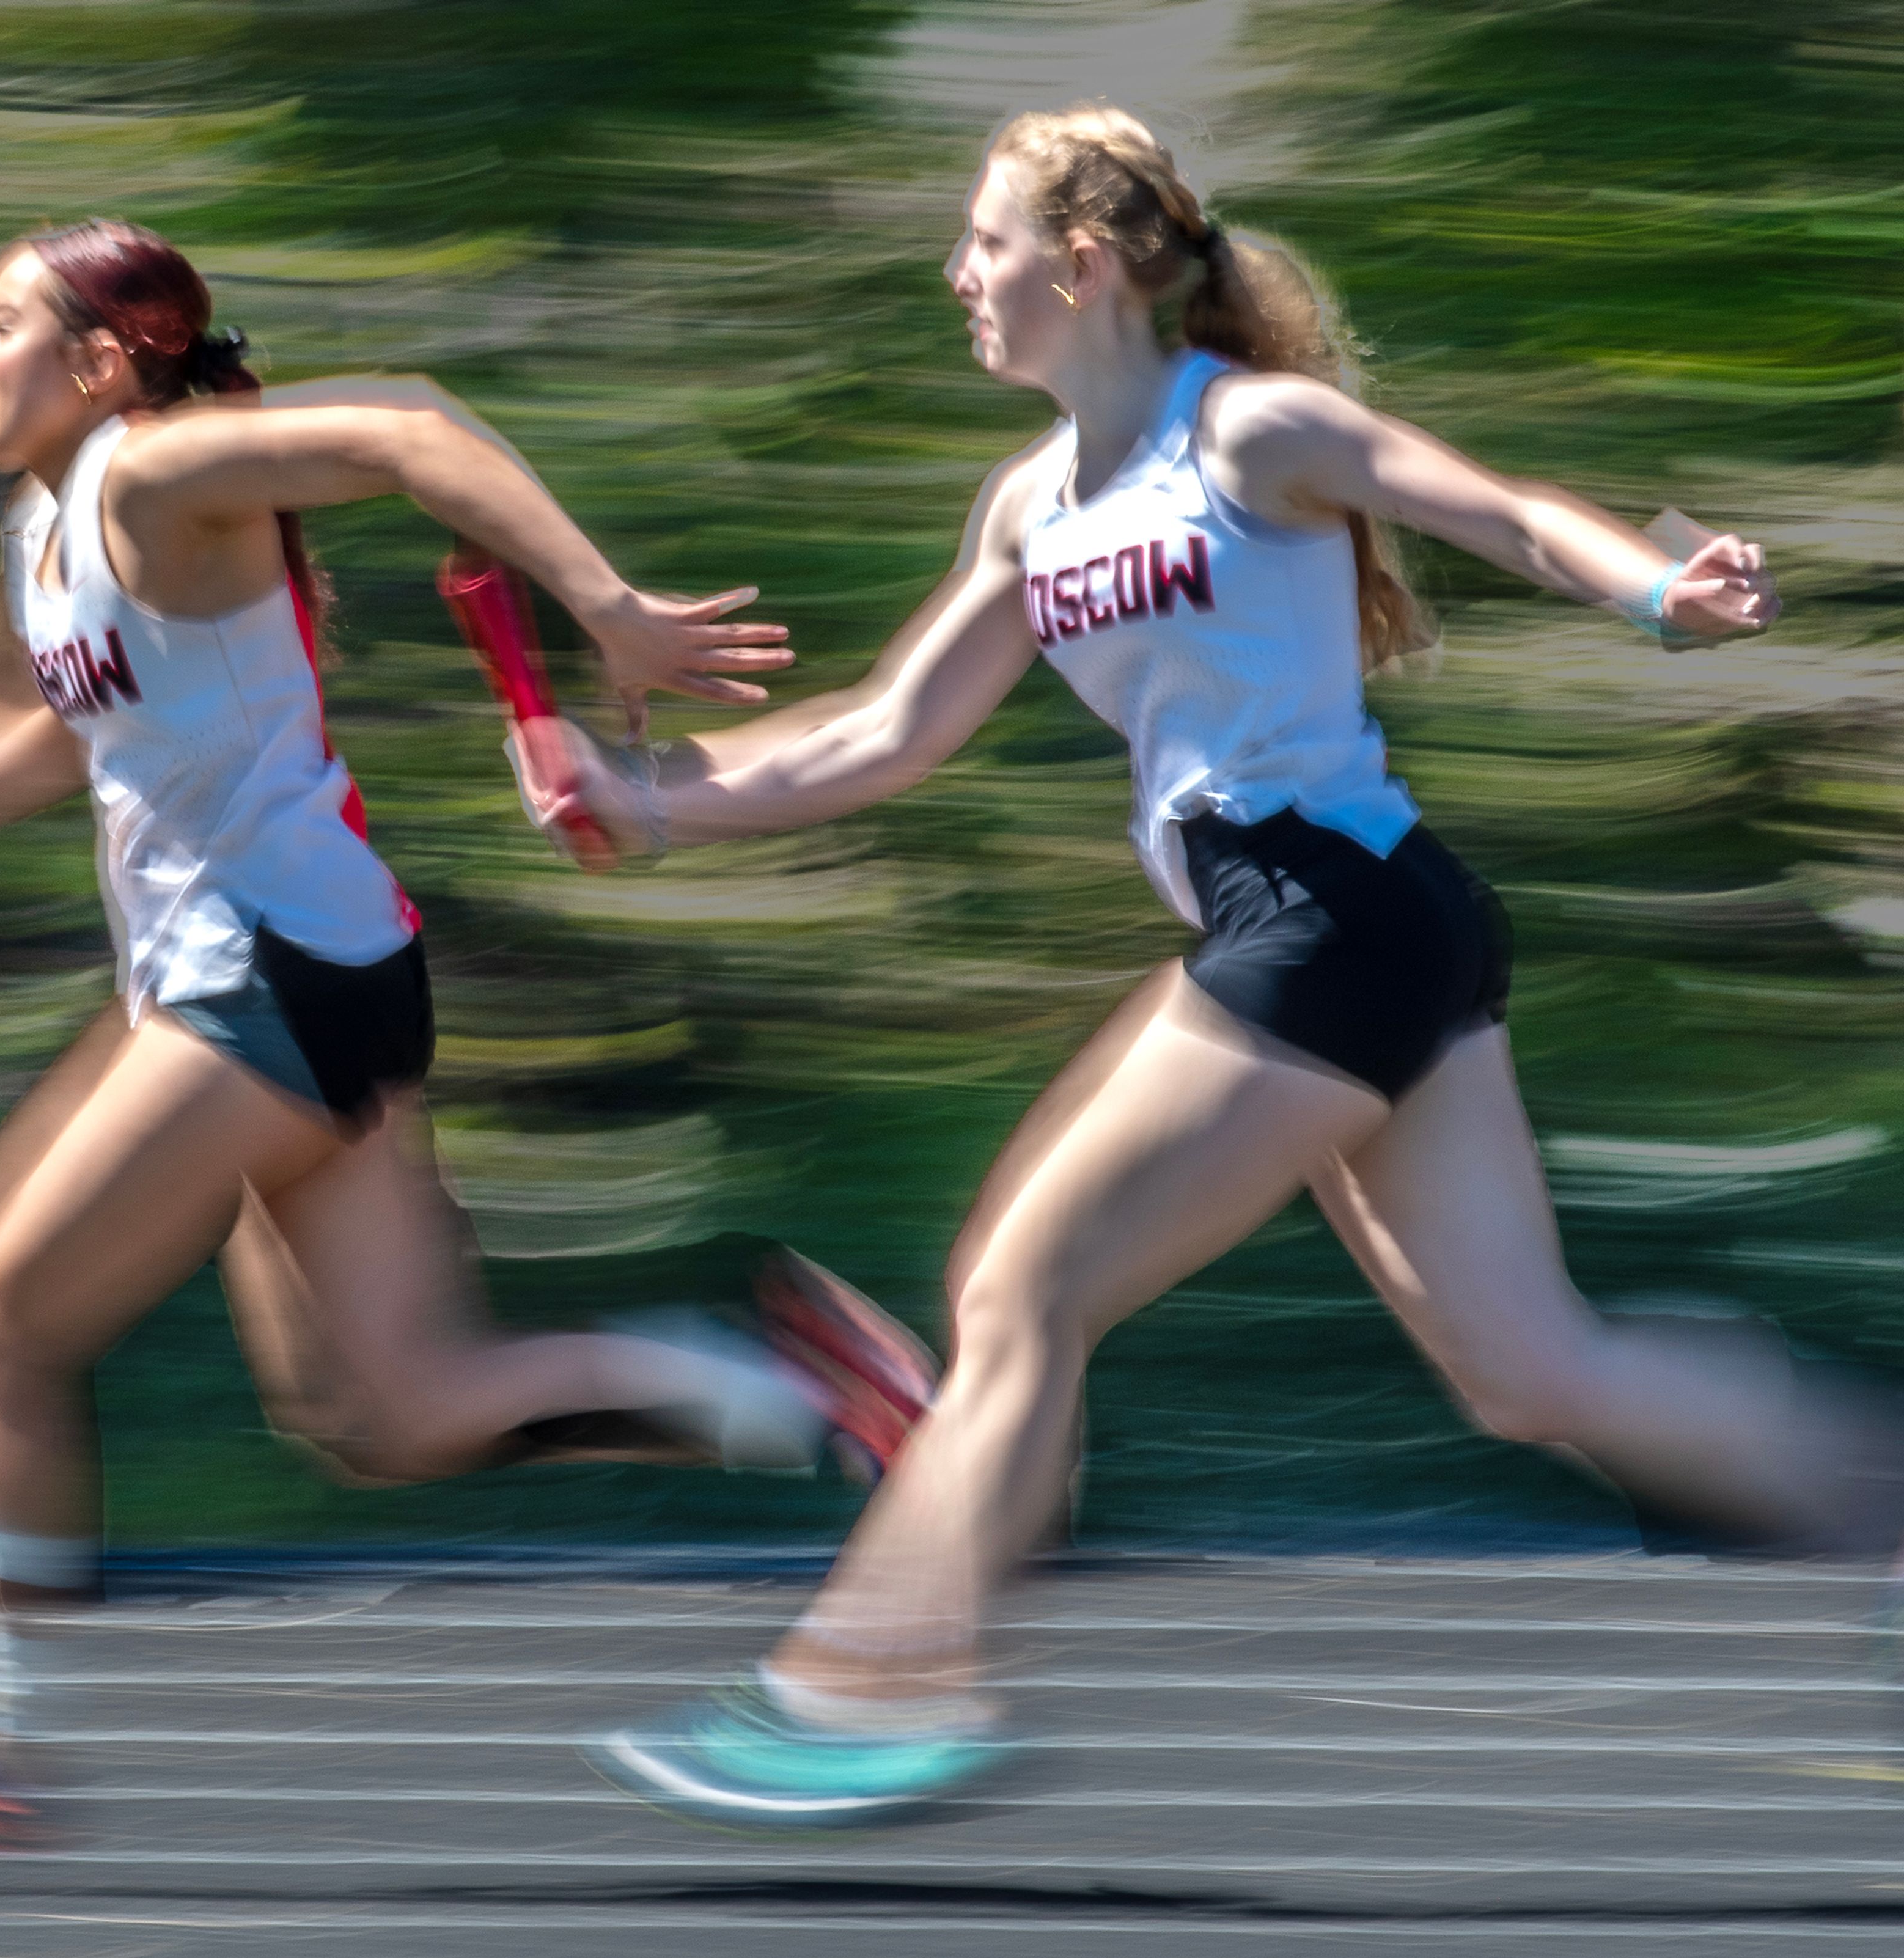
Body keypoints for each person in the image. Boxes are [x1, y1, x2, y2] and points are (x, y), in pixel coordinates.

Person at [515, 104, 1894, 1824]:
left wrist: (1659, 591)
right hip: (1347, 927)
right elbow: (877, 731)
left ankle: (869, 1683)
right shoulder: (1033, 506)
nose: (958, 273)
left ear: (1081, 266)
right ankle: (1872, 1500)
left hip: (1329, 908)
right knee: (1529, 1367)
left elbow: (1506, 509)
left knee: (1022, 1291)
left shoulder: (1248, 432)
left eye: (986, 244)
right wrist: (639, 801)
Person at [0, 218, 933, 1852]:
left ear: (103, 364)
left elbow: (411, 430)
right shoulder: (50, 525)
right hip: (300, 972)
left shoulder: (153, 473)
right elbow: (46, 731)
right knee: (391, 1412)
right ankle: (816, 1391)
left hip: (267, 976)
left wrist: (603, 605)